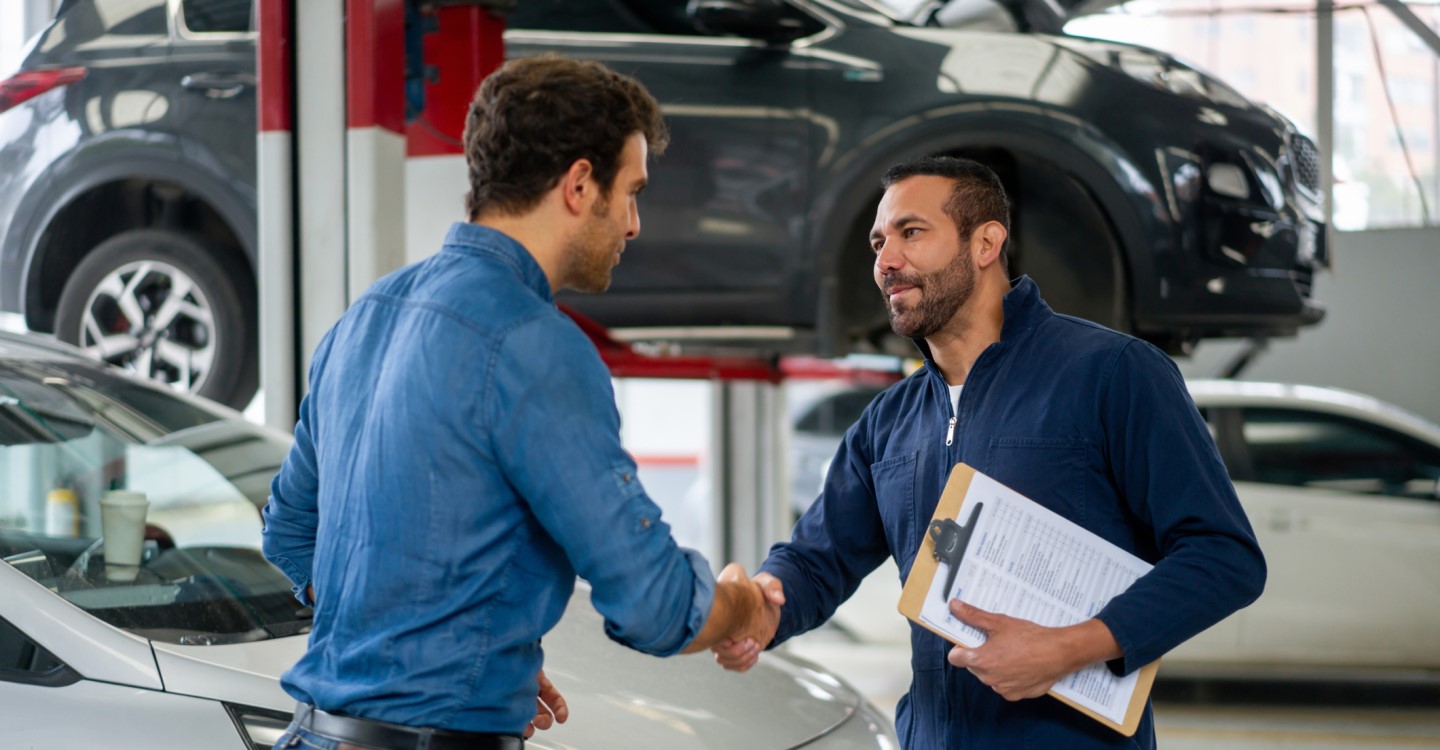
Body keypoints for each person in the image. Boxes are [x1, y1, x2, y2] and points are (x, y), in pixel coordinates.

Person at [262, 54, 782, 750]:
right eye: (630, 192)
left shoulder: (367, 315)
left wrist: (451, 652)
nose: (633, 225)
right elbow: (654, 603)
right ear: (577, 185)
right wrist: (745, 604)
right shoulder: (537, 347)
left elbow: (291, 534)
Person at [712, 156, 1265, 749]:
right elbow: (817, 560)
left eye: (911, 232)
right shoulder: (888, 422)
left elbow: (1223, 556)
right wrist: (761, 605)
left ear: (986, 243)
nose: (885, 261)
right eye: (878, 242)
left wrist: (1068, 648)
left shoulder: (1113, 374)